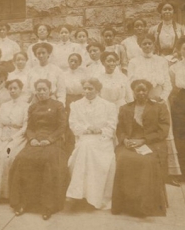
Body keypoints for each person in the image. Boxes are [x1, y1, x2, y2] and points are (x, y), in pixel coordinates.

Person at [9, 79, 68, 220]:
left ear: (50, 90)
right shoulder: (33, 107)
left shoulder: (58, 106)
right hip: (35, 140)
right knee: (23, 159)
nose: (41, 92)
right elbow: (30, 127)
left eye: (44, 89)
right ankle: (23, 202)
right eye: (39, 90)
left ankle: (48, 205)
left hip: (53, 140)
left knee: (48, 161)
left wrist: (50, 139)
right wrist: (32, 139)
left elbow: (62, 127)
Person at [112, 79, 170, 217]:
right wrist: (125, 139)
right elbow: (119, 129)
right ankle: (126, 205)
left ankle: (144, 206)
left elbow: (163, 131)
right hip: (130, 143)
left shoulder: (159, 107)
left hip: (152, 143)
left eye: (144, 90)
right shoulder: (125, 108)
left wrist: (143, 140)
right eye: (138, 90)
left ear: (149, 91)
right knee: (123, 159)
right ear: (133, 92)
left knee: (147, 162)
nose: (142, 93)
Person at [128, 34, 181, 183]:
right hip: (141, 101)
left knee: (162, 134)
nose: (147, 46)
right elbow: (130, 82)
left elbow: (167, 83)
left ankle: (168, 174)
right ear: (140, 45)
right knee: (145, 132)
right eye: (144, 43)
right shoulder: (134, 62)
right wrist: (139, 99)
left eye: (149, 43)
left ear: (154, 45)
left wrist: (161, 99)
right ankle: (147, 172)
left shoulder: (161, 61)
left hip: (159, 101)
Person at [67, 78, 117, 210]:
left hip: (102, 140)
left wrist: (100, 130)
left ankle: (89, 196)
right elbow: (73, 124)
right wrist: (86, 129)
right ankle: (80, 194)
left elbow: (111, 127)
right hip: (84, 137)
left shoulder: (109, 106)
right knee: (85, 147)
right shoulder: (76, 105)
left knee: (88, 150)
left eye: (91, 89)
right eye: (85, 88)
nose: (87, 91)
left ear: (98, 90)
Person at [170, 37, 185, 179]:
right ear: (180, 51)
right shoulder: (175, 67)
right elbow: (174, 87)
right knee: (180, 134)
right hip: (181, 99)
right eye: (184, 49)